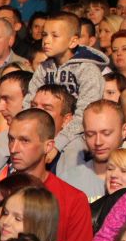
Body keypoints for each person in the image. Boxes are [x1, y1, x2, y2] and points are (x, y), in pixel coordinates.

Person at [0, 109, 92, 241]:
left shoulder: (73, 201)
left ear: (48, 146)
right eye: (11, 139)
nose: (13, 149)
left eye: (24, 141)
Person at [24, 13, 103, 144]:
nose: (46, 41)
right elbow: (29, 101)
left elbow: (86, 112)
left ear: (73, 41)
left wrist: (60, 142)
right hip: (42, 133)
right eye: (44, 35)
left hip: (77, 139)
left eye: (54, 36)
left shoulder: (87, 70)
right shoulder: (44, 68)